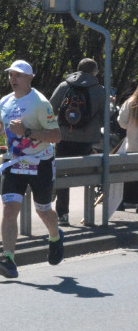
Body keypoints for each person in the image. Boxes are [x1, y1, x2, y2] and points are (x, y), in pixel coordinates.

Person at [0, 60, 65, 278]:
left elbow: (55, 136)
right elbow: (0, 120)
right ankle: (8, 260)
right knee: (9, 209)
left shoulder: (40, 103)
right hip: (14, 162)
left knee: (43, 210)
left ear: (30, 78)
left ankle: (55, 237)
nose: (13, 79)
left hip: (40, 162)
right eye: (11, 75)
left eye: (18, 75)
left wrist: (27, 131)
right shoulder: (5, 101)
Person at [48, 58, 106, 225]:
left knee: (62, 175)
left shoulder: (64, 86)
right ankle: (88, 214)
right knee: (88, 177)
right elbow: (105, 118)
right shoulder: (99, 90)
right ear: (94, 72)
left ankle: (62, 215)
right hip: (87, 141)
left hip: (63, 137)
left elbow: (50, 108)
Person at [116, 85, 138, 208]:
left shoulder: (130, 102)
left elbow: (122, 123)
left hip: (132, 146)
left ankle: (127, 200)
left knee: (130, 175)